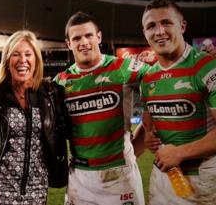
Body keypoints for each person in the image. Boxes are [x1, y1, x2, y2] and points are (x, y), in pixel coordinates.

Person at [54, 11, 149, 205]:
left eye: (89, 35)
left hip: (120, 176)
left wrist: (146, 132)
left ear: (99, 37)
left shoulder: (123, 67)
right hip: (79, 176)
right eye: (77, 38)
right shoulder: (61, 82)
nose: (84, 42)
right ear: (69, 44)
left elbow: (162, 79)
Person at [141, 0, 216, 205]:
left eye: (166, 23)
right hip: (164, 177)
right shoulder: (147, 79)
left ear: (182, 26)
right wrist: (147, 136)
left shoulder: (208, 67)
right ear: (145, 33)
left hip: (205, 179)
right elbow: (149, 124)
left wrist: (181, 152)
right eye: (151, 26)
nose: (159, 31)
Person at [0, 30, 69, 205]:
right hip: (0, 188)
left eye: (28, 54)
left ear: (36, 60)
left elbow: (68, 130)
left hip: (37, 188)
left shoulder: (50, 93)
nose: (23, 60)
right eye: (16, 54)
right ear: (7, 60)